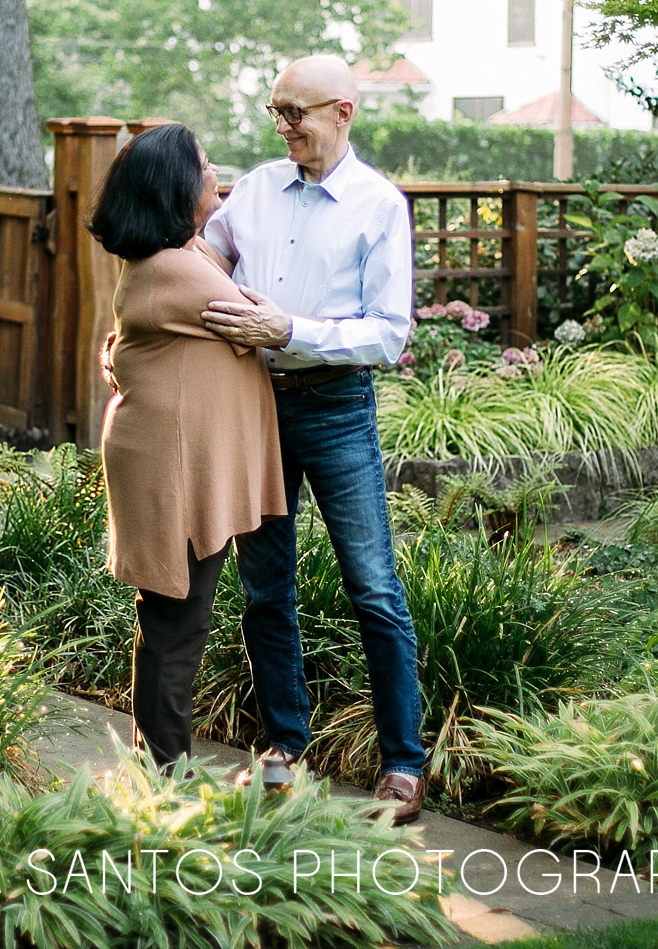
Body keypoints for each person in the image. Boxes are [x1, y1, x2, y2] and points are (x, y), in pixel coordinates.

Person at [198, 55, 427, 823]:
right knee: (266, 587)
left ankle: (401, 763)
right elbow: (205, 256)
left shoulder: (378, 204)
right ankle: (284, 746)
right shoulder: (258, 187)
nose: (286, 125)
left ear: (344, 113)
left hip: (335, 409)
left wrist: (287, 328)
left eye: (299, 111)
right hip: (255, 404)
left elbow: (388, 334)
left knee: (374, 588)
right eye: (277, 111)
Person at [91, 122, 288, 768]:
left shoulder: (181, 254)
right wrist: (266, 316)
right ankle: (162, 781)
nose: (213, 174)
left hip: (174, 463)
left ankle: (157, 770)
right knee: (178, 627)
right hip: (169, 472)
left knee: (172, 621)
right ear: (174, 186)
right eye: (202, 167)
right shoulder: (176, 269)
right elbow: (254, 324)